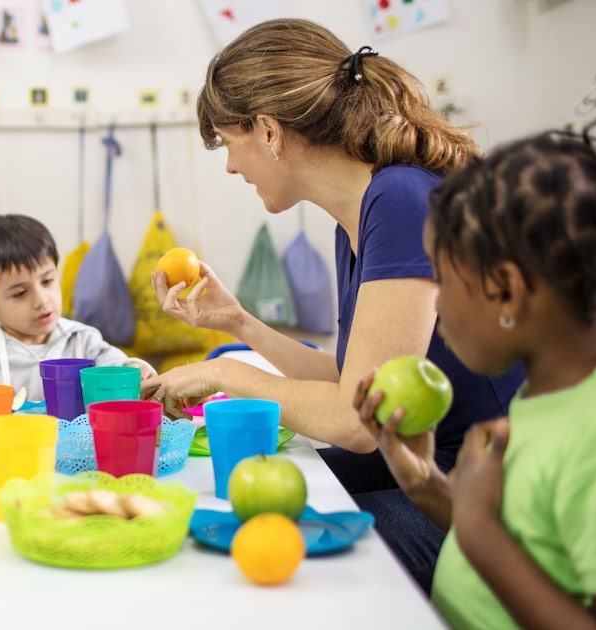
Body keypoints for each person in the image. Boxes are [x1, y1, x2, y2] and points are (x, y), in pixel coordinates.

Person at [139, 18, 524, 593]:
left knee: (251, 551)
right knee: (229, 510)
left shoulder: (399, 200)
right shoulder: (363, 212)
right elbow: (358, 380)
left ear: (268, 131)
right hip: (432, 464)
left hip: (487, 499)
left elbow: (356, 422)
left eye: (229, 142)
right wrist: (239, 323)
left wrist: (223, 371)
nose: (230, 166)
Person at [355, 125, 596, 629]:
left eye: (443, 280)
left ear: (505, 290)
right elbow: (532, 549)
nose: (436, 305)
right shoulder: (548, 393)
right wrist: (426, 485)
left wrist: (479, 528)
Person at [0, 214, 155, 403]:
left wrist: (137, 369)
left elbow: (120, 368)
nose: (42, 300)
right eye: (20, 293)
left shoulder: (82, 340)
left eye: (47, 281)